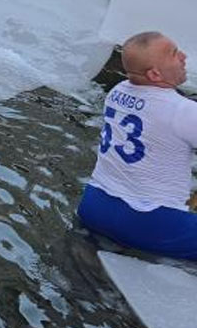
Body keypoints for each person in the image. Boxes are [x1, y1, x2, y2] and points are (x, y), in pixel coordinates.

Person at [77, 31, 197, 260]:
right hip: (151, 222)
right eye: (174, 54)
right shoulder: (182, 111)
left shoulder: (117, 92)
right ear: (154, 74)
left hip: (94, 207)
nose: (184, 56)